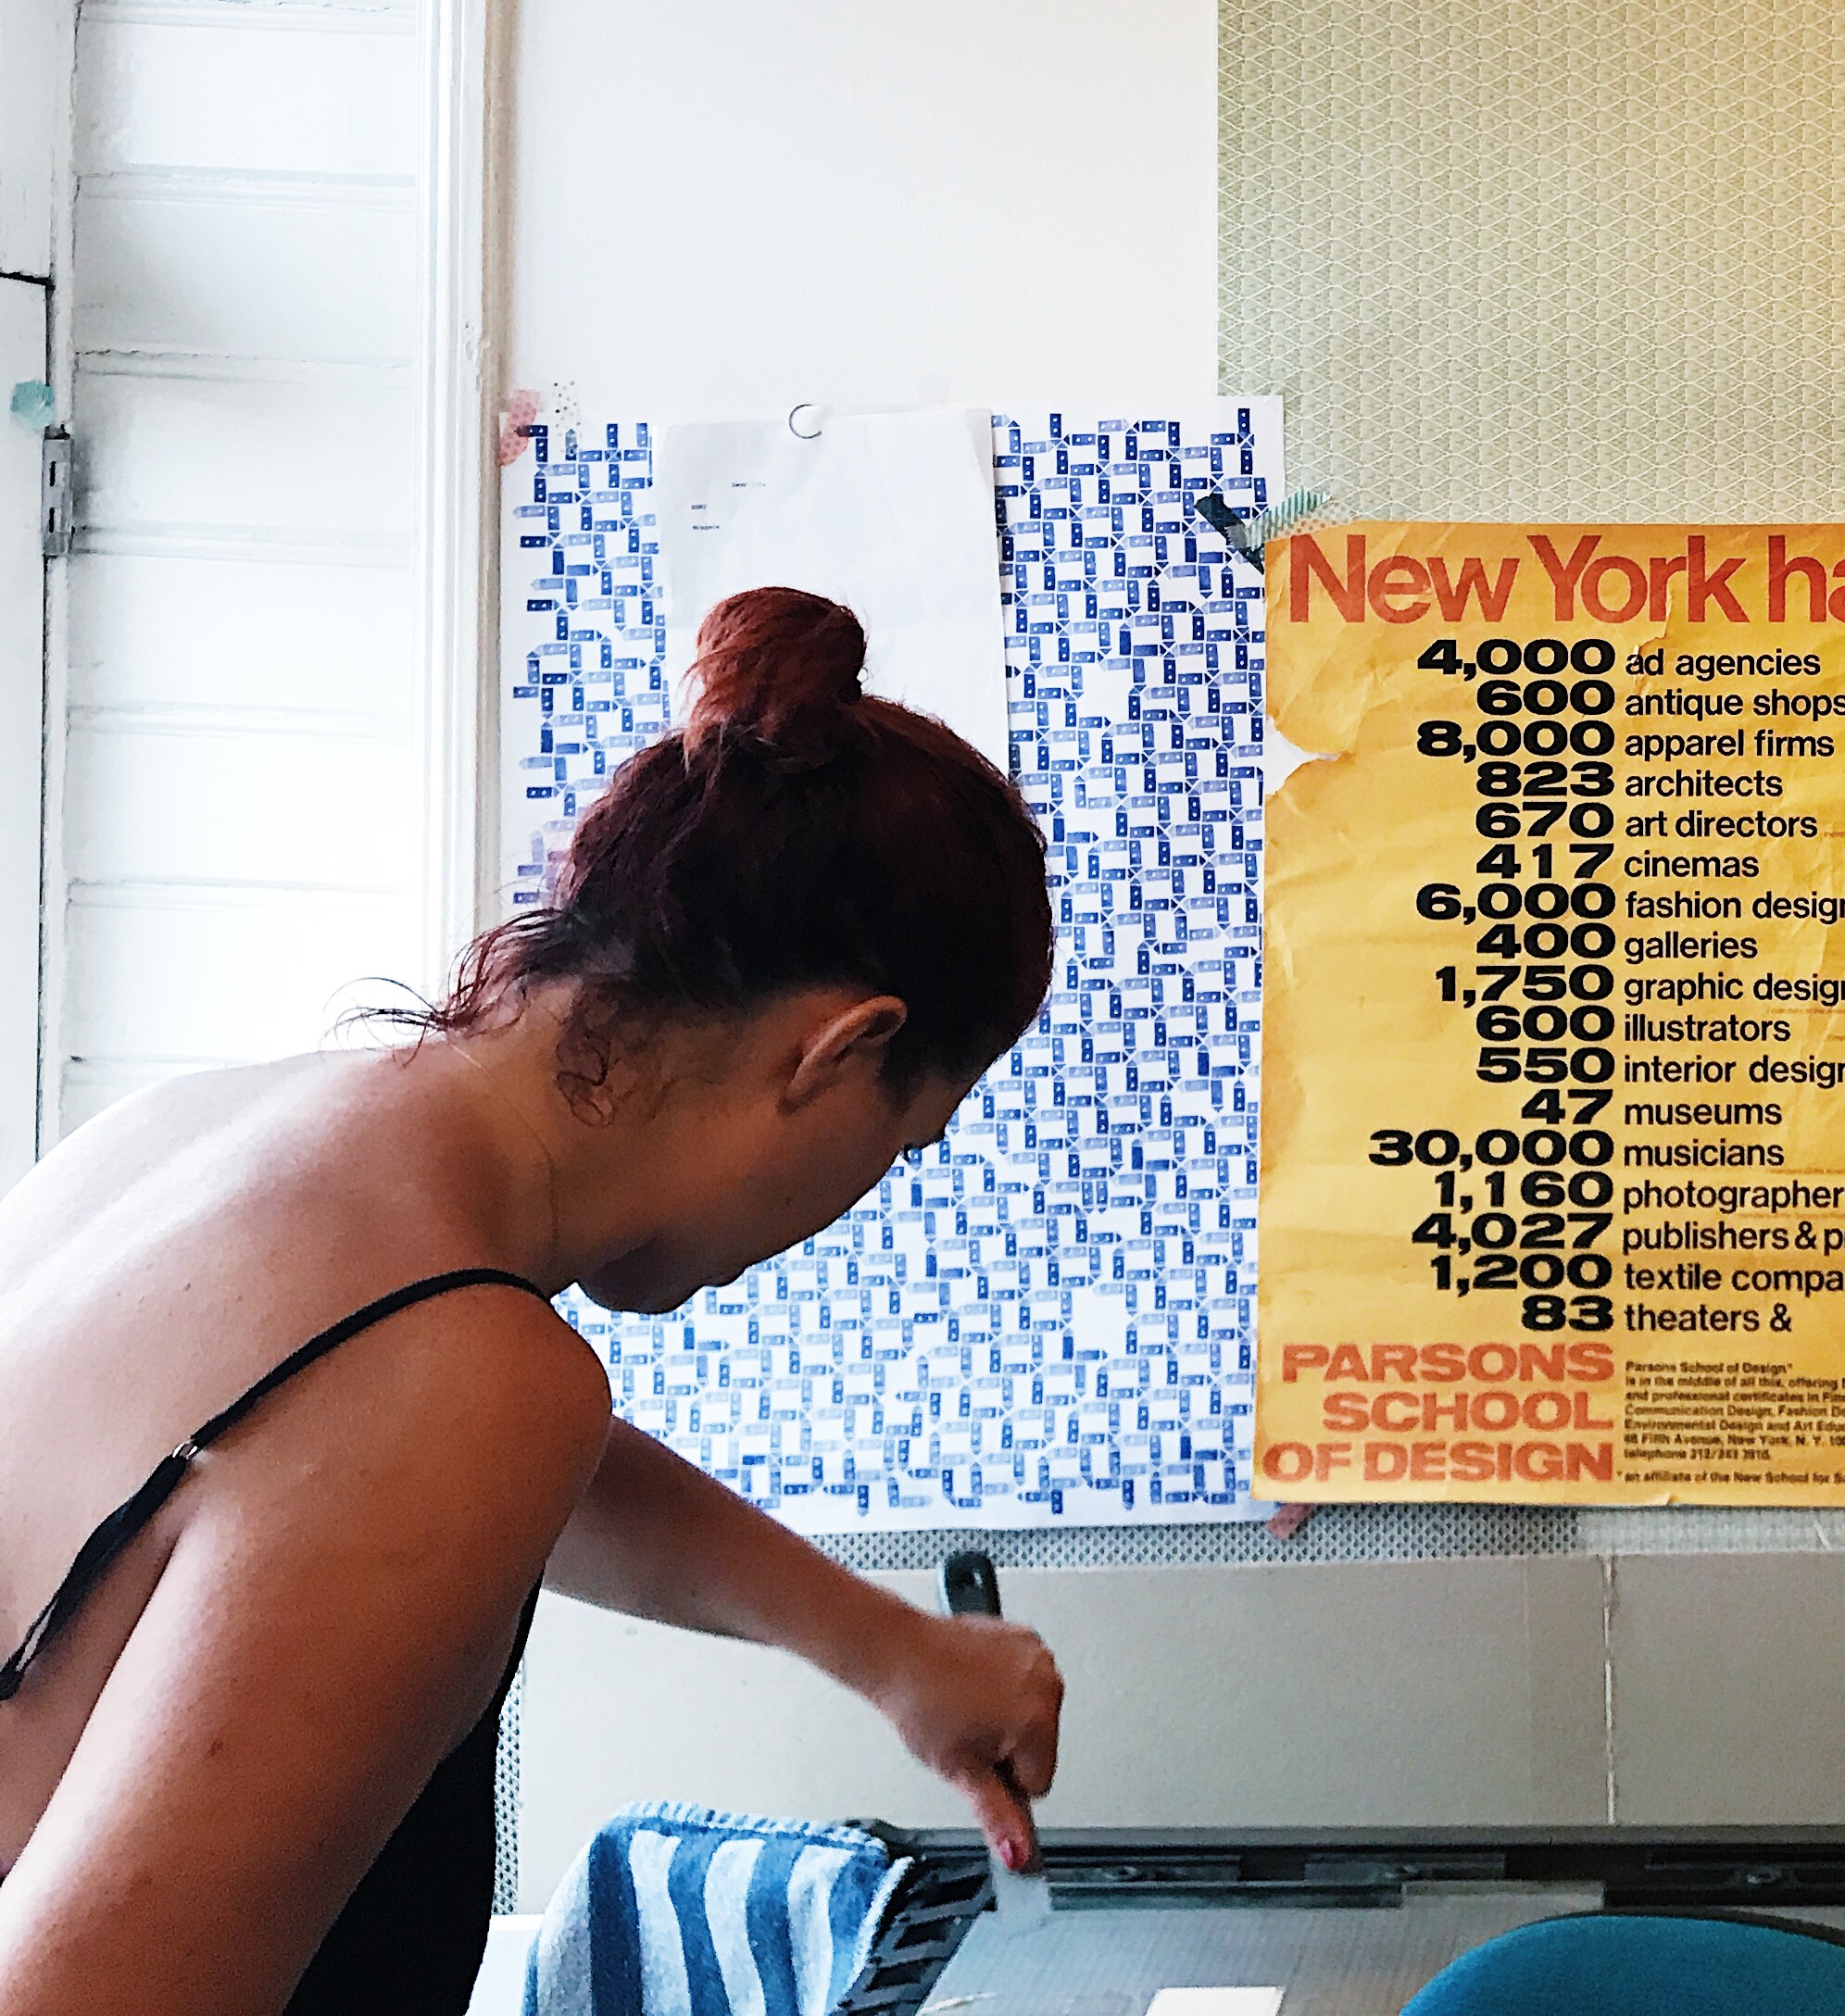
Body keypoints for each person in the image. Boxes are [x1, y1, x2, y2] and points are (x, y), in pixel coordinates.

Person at [0, 588, 1068, 2016]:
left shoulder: (199, 1144)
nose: (872, 1190)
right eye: (905, 1137)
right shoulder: (455, 1372)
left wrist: (896, 1654)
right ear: (837, 1051)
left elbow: (364, 1478)